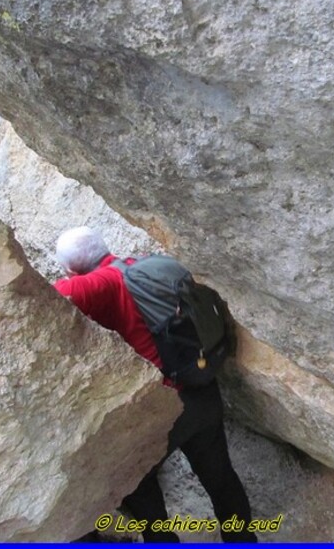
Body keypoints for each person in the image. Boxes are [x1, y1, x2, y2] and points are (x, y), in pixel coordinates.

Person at [53, 226, 257, 543]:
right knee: (221, 479)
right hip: (200, 389)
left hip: (161, 412)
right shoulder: (144, 266)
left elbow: (46, 297)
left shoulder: (99, 283)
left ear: (73, 269)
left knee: (141, 495)